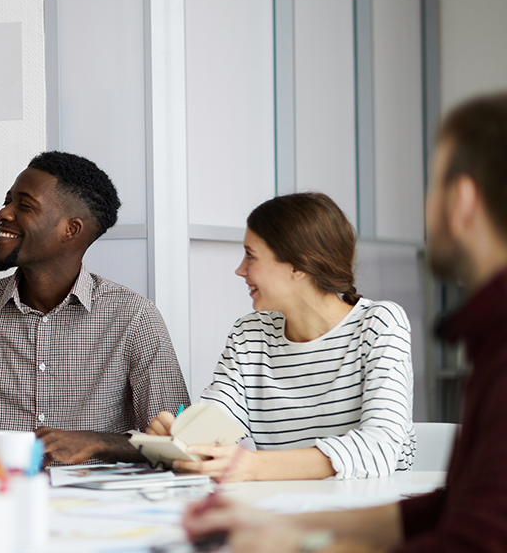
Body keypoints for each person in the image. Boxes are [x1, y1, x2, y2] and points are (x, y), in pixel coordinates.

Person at [182, 92, 507, 552]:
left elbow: (473, 537)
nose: (239, 270)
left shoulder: (391, 326)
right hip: (293, 506)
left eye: (433, 184)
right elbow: (453, 509)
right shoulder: (489, 337)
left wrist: (299, 543)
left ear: (464, 200)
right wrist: (187, 436)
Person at [0, 151, 190, 465]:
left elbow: (177, 442)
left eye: (24, 205)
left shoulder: (134, 316)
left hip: (99, 508)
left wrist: (99, 444)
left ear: (70, 230)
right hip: (1, 498)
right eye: (7, 200)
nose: (3, 213)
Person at [146, 193, 415, 481]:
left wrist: (253, 466)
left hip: (372, 513)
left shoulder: (379, 323)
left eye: (250, 255)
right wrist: (184, 440)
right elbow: (216, 424)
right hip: (280, 512)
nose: (240, 270)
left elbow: (380, 446)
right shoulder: (249, 335)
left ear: (298, 265)